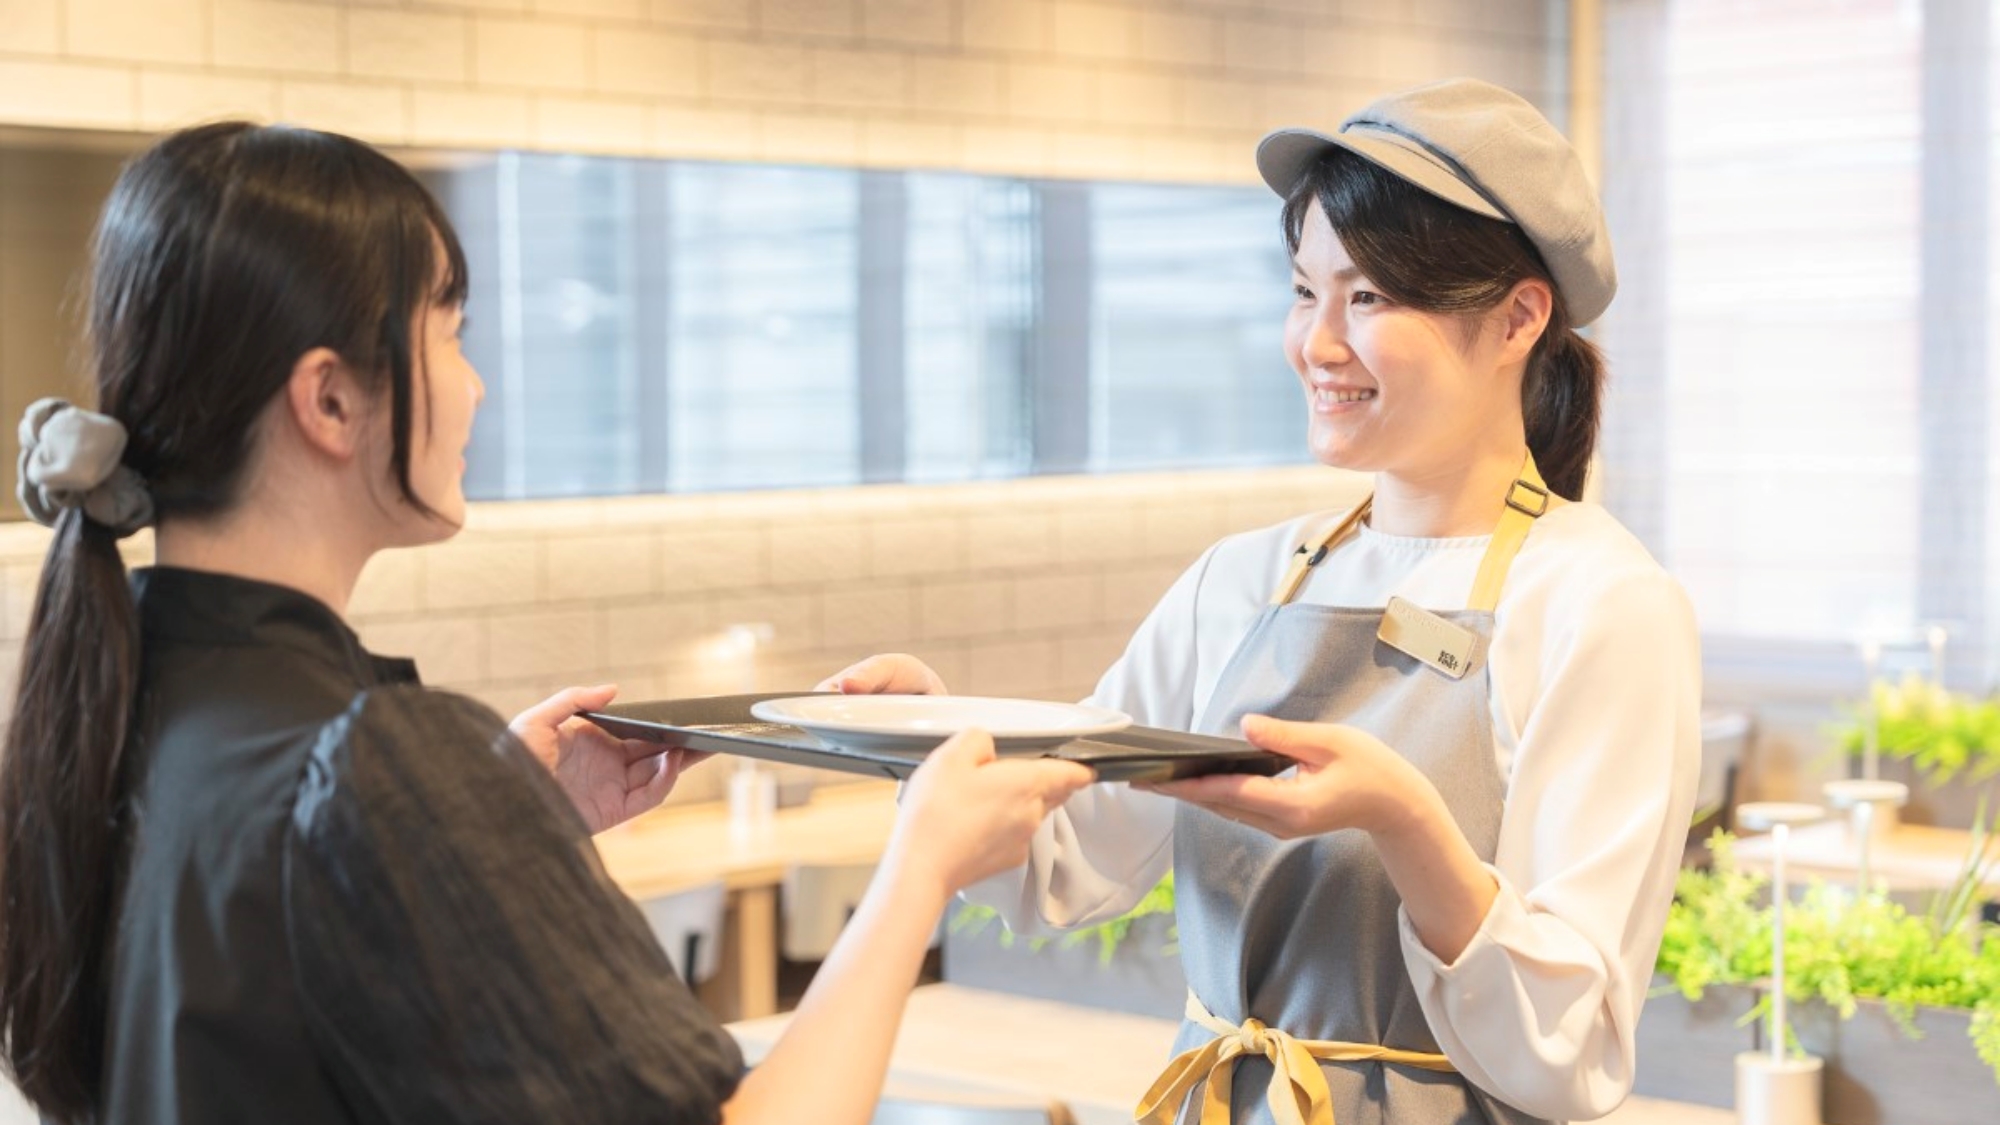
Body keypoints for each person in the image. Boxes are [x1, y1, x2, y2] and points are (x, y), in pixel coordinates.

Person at [0, 121, 1093, 1125]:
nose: (475, 387)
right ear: (329, 400)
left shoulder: (121, 702)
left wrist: (491, 831)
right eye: (449, 333)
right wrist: (919, 868)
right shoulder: (373, 760)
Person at [823, 79, 1701, 1125]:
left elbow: (1569, 1050)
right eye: (1303, 291)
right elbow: (1064, 865)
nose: (1316, 344)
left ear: (1518, 318)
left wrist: (1404, 819)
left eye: (1368, 298)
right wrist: (934, 740)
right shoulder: (1242, 580)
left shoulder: (1602, 605)